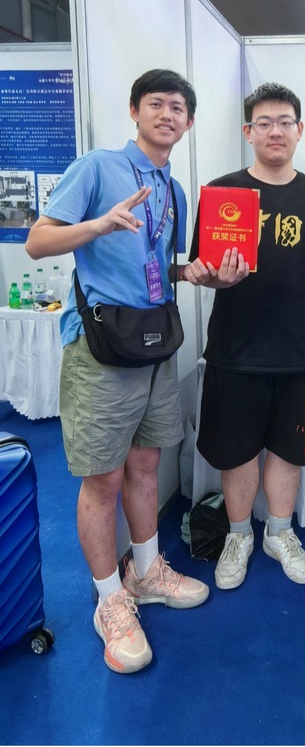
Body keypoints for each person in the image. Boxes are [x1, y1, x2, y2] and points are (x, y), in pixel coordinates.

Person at [25, 69, 216, 675]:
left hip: (154, 342)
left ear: (188, 122)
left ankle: (147, 571)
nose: (167, 115)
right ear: (134, 110)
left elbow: (160, 265)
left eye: (178, 108)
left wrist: (195, 273)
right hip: (100, 347)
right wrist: (99, 225)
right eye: (156, 104)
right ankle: (109, 599)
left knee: (146, 464)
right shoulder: (97, 168)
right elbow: (37, 241)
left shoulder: (174, 189)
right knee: (102, 479)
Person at [183, 81, 305, 590]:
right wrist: (213, 278)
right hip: (236, 348)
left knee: (289, 448)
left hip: (301, 349)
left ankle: (280, 532)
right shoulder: (222, 194)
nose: (275, 131)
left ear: (300, 130)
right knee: (236, 449)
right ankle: (239, 536)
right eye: (264, 123)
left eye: (284, 122)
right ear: (248, 132)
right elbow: (201, 268)